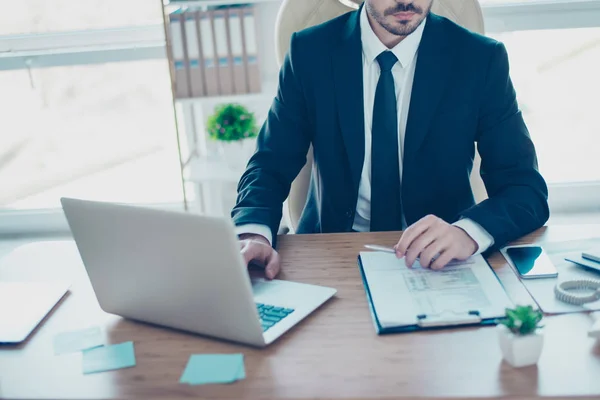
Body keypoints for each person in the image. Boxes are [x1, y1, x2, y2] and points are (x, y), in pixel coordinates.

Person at [232, 0, 549, 278]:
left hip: (439, 261)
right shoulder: (309, 52)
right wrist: (254, 234)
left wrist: (468, 232)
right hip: (331, 254)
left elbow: (524, 189)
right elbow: (270, 163)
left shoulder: (481, 60)